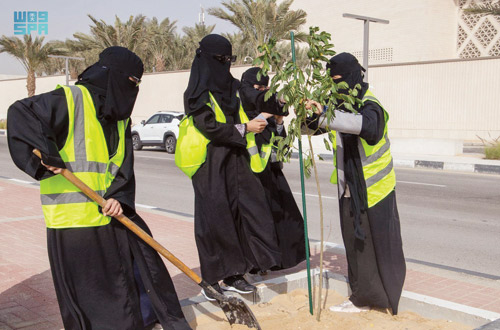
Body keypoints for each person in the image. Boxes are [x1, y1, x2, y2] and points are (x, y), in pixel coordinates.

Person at [7, 46, 190, 330]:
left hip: (110, 213)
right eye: (129, 81)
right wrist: (47, 156)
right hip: (74, 224)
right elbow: (21, 114)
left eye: (136, 84)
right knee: (96, 300)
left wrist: (119, 196)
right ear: (110, 74)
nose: (132, 89)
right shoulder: (71, 99)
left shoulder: (120, 116)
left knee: (137, 270)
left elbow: (122, 165)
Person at [182, 34, 281, 301]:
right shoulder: (196, 93)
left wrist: (278, 102)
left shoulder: (234, 86)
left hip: (236, 159)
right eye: (219, 60)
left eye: (228, 60)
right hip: (210, 162)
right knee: (215, 219)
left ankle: (238, 272)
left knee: (248, 210)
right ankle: (213, 280)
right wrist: (245, 127)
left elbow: (253, 98)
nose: (224, 65)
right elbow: (209, 127)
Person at [305, 53, 406, 314]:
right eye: (333, 81)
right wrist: (309, 114)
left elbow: (369, 128)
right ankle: (362, 297)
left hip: (376, 188)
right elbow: (313, 127)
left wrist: (327, 114)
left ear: (352, 77)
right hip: (350, 188)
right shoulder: (341, 104)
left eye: (340, 80)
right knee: (355, 244)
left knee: (377, 246)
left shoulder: (370, 105)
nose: (337, 86)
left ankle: (378, 298)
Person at [239, 67, 306, 272]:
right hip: (249, 176)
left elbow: (282, 147)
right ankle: (256, 266)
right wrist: (264, 114)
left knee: (285, 218)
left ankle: (276, 262)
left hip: (272, 174)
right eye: (258, 88)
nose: (262, 93)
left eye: (266, 88)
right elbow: (239, 130)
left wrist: (277, 121)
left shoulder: (270, 114)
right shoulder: (240, 108)